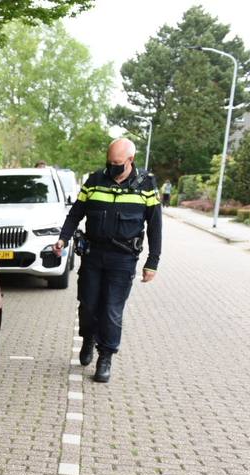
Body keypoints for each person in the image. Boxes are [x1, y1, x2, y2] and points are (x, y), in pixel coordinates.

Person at [52, 138, 161, 383]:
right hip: (93, 255)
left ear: (130, 161)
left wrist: (152, 262)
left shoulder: (145, 185)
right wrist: (63, 239)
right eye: (109, 162)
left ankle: (105, 356)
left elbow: (155, 226)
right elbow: (75, 213)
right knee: (88, 305)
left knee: (112, 309)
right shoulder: (94, 181)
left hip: (123, 258)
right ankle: (88, 338)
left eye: (117, 163)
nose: (112, 166)